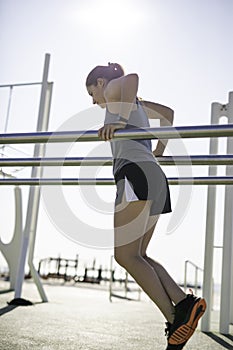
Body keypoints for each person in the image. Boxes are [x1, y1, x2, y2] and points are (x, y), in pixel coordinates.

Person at [86, 63, 206, 349]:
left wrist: (119, 121)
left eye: (92, 93)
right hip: (153, 175)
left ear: (101, 82)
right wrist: (160, 149)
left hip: (134, 174)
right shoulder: (135, 102)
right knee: (138, 254)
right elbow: (168, 114)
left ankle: (176, 319)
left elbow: (132, 77)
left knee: (125, 256)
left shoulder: (116, 91)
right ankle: (183, 301)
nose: (93, 101)